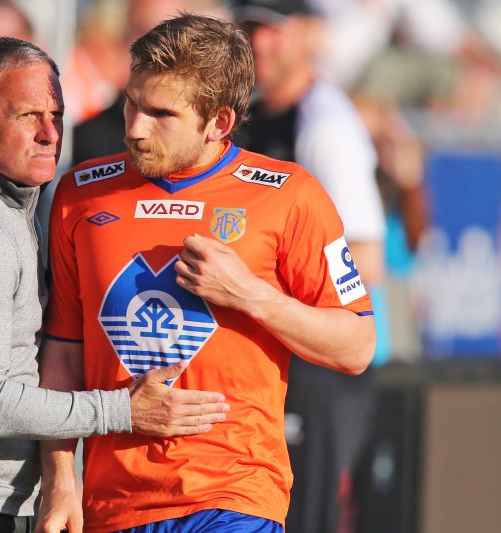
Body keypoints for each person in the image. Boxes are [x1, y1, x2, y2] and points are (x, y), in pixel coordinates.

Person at [0, 36, 229, 533]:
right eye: (25, 116)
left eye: (55, 115)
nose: (48, 134)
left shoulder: (15, 203)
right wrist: (122, 409)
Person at [37, 13, 376, 533]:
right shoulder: (80, 193)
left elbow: (355, 347)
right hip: (113, 504)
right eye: (131, 102)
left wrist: (250, 295)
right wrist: (62, 481)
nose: (134, 127)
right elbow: (62, 352)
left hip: (235, 496)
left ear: (218, 121)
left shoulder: (290, 196)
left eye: (160, 113)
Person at [229, 1, 387, 530]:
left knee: (304, 517)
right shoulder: (256, 111)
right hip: (276, 356)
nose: (260, 43)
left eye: (273, 30)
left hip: (319, 369)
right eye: (250, 29)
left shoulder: (324, 124)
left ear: (307, 35)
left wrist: (268, 301)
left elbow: (365, 258)